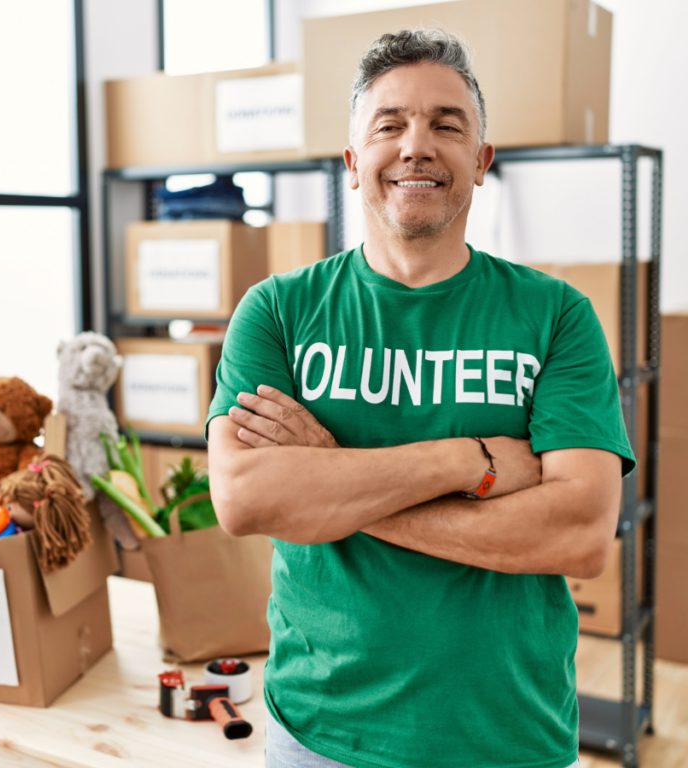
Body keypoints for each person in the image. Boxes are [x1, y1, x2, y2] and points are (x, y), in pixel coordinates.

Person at [207, 29, 633, 768]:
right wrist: (465, 462)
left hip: (509, 737)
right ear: (352, 163)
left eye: (446, 125)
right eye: (390, 125)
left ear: (481, 161)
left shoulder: (557, 315)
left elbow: (581, 536)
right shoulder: (277, 310)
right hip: (319, 732)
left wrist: (332, 477)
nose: (417, 146)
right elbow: (247, 499)